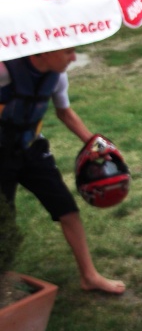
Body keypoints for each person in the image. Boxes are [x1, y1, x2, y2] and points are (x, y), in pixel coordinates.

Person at [0, 48, 125, 294]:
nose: (74, 58)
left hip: (31, 148)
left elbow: (65, 113)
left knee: (67, 209)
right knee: (3, 218)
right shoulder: (4, 71)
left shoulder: (57, 76)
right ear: (43, 53)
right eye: (68, 52)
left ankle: (89, 276)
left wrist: (97, 144)